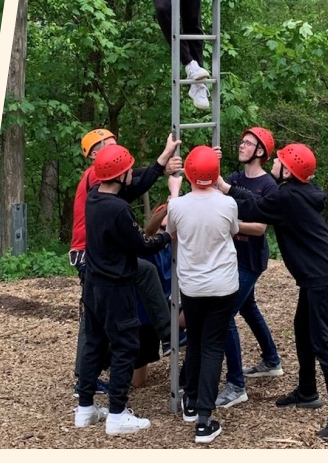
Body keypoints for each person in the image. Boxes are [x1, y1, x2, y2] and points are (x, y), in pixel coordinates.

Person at [216, 144, 328, 438]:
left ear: (288, 171)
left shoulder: (287, 197)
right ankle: (308, 391)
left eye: (280, 160)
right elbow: (260, 200)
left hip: (320, 274)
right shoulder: (295, 192)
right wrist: (230, 187)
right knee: (302, 329)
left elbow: (254, 207)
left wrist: (225, 188)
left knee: (323, 340)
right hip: (315, 273)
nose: (274, 162)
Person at [70, 128, 180, 407]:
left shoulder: (102, 186)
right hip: (91, 253)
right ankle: (86, 378)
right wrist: (166, 237)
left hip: (98, 252)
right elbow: (132, 184)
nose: (115, 148)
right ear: (96, 154)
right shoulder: (98, 178)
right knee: (97, 321)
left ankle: (164, 330)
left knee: (140, 274)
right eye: (109, 145)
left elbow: (132, 180)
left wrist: (161, 163)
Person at [167, 145, 239, 444]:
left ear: (190, 174)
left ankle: (192, 401)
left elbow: (171, 232)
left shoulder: (179, 206)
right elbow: (233, 231)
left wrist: (174, 192)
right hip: (223, 286)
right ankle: (204, 420)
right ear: (215, 173)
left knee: (195, 340)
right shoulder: (228, 204)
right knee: (212, 346)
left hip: (193, 288)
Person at [214, 127, 284, 410]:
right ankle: (271, 360)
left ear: (259, 152)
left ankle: (236, 385)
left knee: (225, 313)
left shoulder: (268, 186)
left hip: (250, 260)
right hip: (233, 256)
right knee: (248, 307)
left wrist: (232, 225)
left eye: (248, 143)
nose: (241, 146)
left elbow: (259, 227)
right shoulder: (233, 178)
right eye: (242, 141)